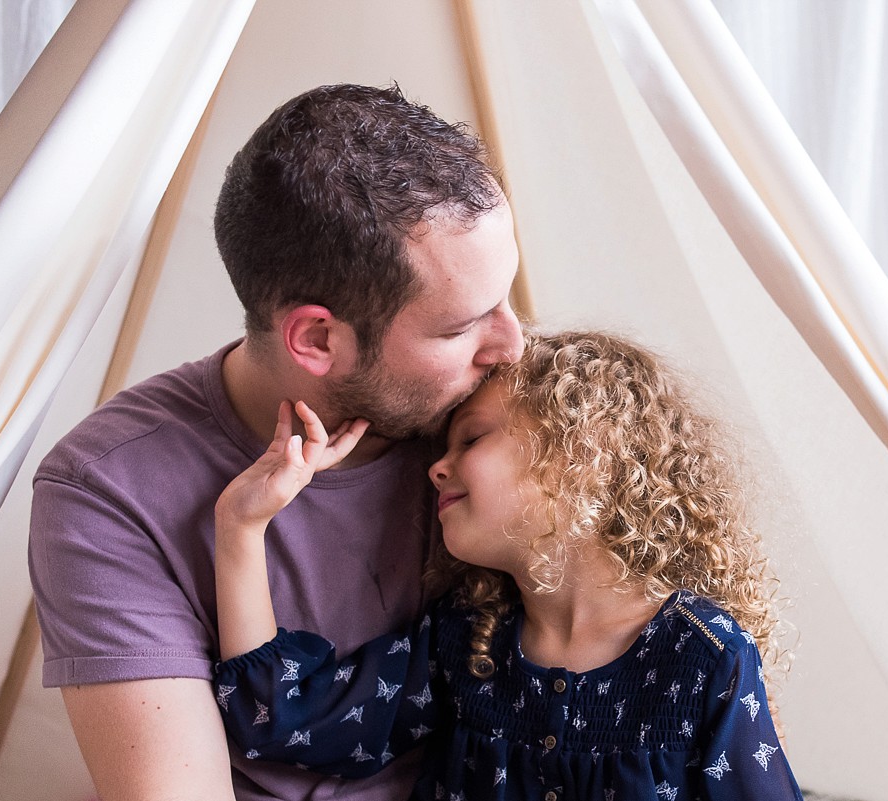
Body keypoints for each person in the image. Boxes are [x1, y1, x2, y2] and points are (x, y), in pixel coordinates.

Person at [28, 83, 524, 801]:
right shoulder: (108, 489)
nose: (512, 344)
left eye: (507, 296)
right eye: (461, 327)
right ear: (318, 338)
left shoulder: (509, 422)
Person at [212, 331, 804, 800]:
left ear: (584, 450)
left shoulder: (702, 657)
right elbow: (283, 721)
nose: (436, 468)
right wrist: (240, 528)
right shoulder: (468, 642)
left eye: (470, 441)